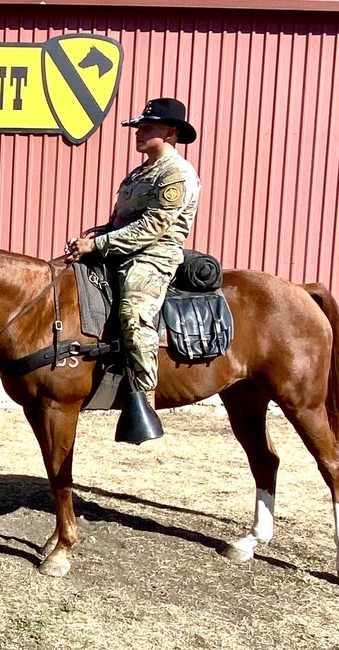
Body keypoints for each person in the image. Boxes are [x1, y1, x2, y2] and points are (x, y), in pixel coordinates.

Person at [65, 97, 200, 443]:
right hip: (120, 250)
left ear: (170, 132)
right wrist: (94, 237)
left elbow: (153, 226)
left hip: (153, 256)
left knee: (132, 314)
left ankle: (143, 399)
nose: (138, 133)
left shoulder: (176, 173)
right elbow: (120, 221)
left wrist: (99, 244)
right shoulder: (140, 172)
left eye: (147, 127)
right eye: (138, 127)